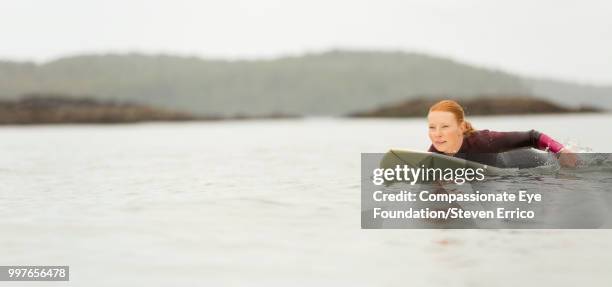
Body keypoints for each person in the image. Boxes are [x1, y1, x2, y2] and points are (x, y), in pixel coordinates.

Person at [427, 99, 577, 167]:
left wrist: (561, 151)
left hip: (524, 162)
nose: (437, 134)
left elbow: (532, 136)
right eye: (432, 127)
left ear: (461, 127)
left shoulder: (485, 140)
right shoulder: (436, 150)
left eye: (445, 126)